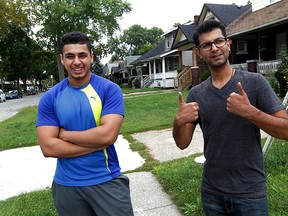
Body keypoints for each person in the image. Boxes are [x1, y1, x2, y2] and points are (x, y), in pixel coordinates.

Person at [173, 20, 288, 215]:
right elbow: (183, 143)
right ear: (199, 53)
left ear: (228, 43)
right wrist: (177, 123)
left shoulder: (255, 82)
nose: (214, 48)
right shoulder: (196, 94)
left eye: (219, 41)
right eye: (207, 45)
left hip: (250, 193)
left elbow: (285, 131)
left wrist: (250, 112)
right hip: (212, 193)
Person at [36, 31, 134, 216]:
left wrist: (64, 135)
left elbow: (107, 135)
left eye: (82, 55)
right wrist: (97, 143)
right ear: (62, 59)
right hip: (67, 186)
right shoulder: (50, 97)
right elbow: (48, 147)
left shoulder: (109, 90)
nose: (77, 62)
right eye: (70, 56)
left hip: (106, 180)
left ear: (91, 57)